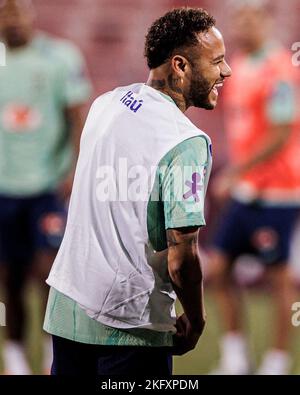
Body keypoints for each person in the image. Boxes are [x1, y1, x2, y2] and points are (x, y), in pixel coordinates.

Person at [43, 7, 232, 375]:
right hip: (132, 325)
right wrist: (196, 319)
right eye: (217, 62)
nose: (226, 72)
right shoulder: (186, 142)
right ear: (180, 65)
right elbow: (183, 258)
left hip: (67, 307)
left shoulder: (104, 104)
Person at [208, 0, 300, 375]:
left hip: (277, 191)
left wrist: (235, 171)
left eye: (251, 16)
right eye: (238, 17)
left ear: (265, 19)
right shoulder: (238, 66)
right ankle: (236, 356)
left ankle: (277, 360)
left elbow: (281, 132)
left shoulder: (280, 68)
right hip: (247, 189)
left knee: (278, 277)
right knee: (218, 270)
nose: (243, 24)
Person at [0, 0, 91, 374]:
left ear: (30, 12)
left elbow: (76, 117)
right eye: (4, 11)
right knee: (9, 276)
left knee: (51, 273)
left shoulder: (59, 57)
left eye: (17, 9)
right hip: (4, 187)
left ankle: (57, 354)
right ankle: (16, 356)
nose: (12, 18)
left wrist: (72, 168)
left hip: (47, 185)